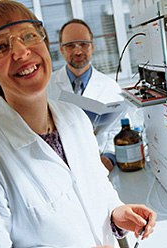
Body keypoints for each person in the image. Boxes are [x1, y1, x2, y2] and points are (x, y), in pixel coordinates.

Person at [0, 1, 156, 247]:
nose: (22, 52)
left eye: (29, 36)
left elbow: (97, 188)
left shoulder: (76, 119)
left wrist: (115, 213)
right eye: (1, 47)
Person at [48, 19, 124, 172]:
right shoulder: (46, 87)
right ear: (61, 50)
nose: (77, 51)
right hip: (59, 167)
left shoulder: (110, 87)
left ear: (93, 47)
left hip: (98, 165)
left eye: (83, 44)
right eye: (70, 46)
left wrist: (109, 156)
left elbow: (117, 129)